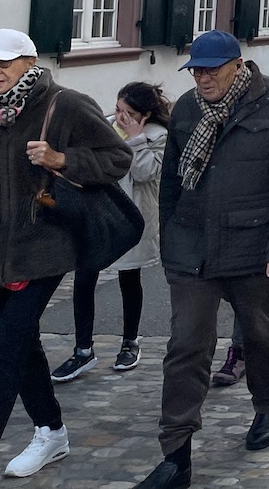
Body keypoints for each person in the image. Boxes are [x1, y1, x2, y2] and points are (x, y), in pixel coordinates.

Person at [136, 30, 269, 489]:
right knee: (186, 346)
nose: (202, 77)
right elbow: (173, 180)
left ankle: (267, 407)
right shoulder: (189, 109)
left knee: (261, 334)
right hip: (192, 248)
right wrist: (170, 235)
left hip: (254, 247)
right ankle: (176, 454)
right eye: (196, 69)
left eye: (212, 68)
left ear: (238, 64)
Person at [0, 29, 131, 478]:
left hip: (42, 247)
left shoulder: (64, 103)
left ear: (29, 62)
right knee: (23, 343)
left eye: (3, 62)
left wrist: (61, 159)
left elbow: (117, 157)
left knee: (4, 350)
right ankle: (51, 432)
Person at [53, 81, 170, 383]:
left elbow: (145, 173)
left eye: (128, 113)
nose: (119, 117)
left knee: (129, 279)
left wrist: (135, 138)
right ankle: (82, 349)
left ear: (145, 116)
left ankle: (130, 341)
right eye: (118, 109)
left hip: (129, 216)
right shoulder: (103, 127)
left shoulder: (158, 137)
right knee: (84, 277)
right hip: (96, 214)